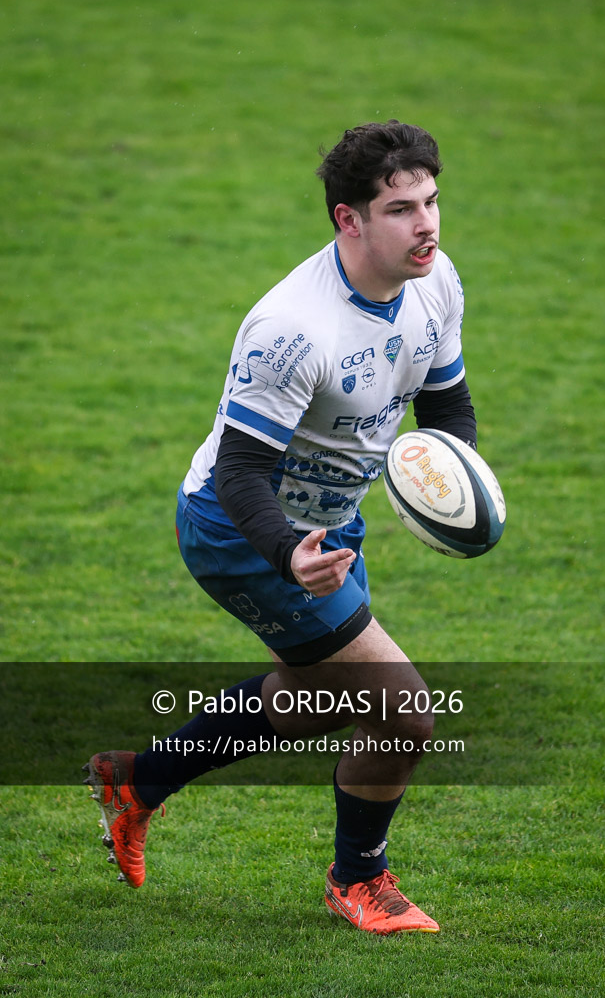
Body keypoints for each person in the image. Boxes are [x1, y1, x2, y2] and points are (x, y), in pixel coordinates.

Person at [83, 120, 477, 935]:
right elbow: (238, 472)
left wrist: (449, 487)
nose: (426, 224)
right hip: (242, 532)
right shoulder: (292, 329)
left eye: (431, 201)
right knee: (403, 711)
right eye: (401, 209)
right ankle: (357, 879)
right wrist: (285, 552)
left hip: (327, 529)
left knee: (321, 697)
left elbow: (446, 409)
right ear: (348, 219)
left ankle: (138, 782)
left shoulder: (435, 284)